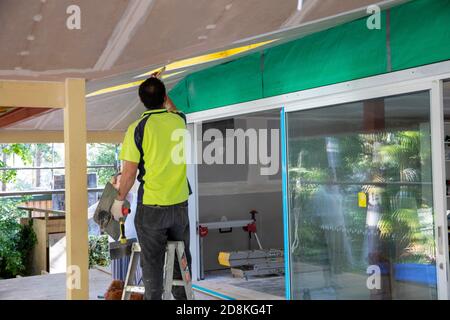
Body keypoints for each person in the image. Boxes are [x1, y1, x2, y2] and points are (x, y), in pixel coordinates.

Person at [111, 75, 191, 300]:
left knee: (152, 263)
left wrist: (119, 200)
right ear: (164, 97)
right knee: (181, 260)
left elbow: (129, 173)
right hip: (180, 205)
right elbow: (172, 109)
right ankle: (184, 300)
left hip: (153, 208)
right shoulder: (179, 120)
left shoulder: (137, 128)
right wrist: (162, 90)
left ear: (141, 101)